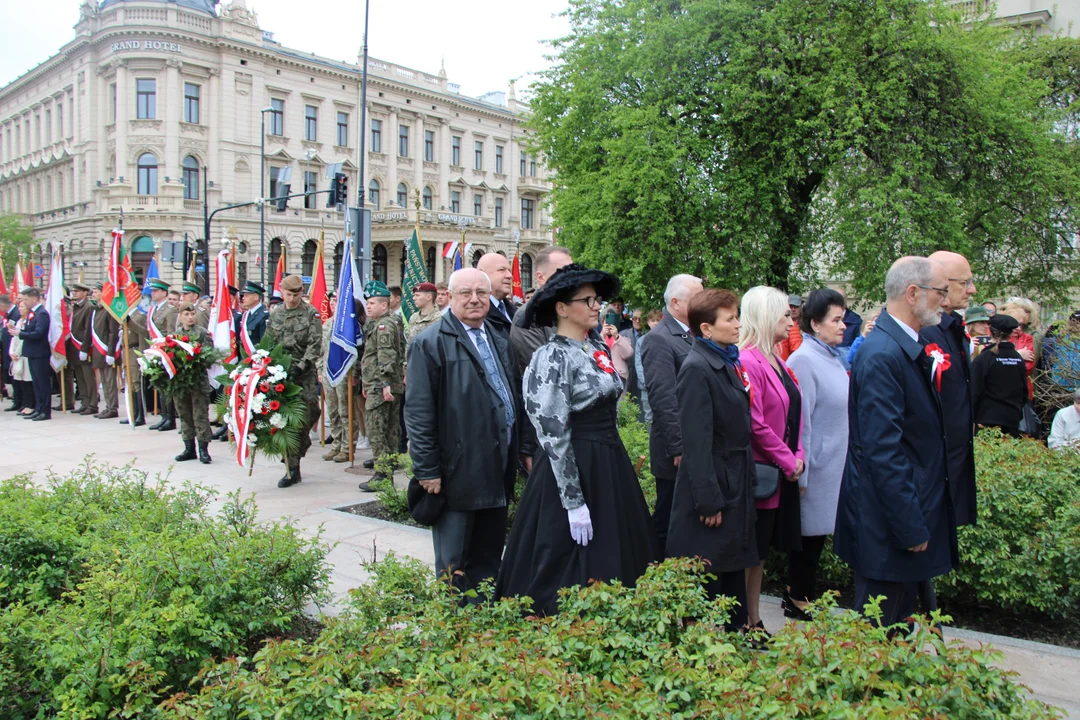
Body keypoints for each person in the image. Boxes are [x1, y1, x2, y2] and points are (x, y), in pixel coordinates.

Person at [495, 264, 653, 615]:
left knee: (618, 549)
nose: (597, 306)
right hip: (573, 466)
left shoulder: (594, 346)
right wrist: (572, 500)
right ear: (562, 308)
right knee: (564, 557)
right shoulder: (552, 356)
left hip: (609, 463)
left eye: (598, 299)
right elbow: (553, 432)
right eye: (588, 300)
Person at [834, 256, 959, 628]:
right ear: (913, 293)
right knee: (879, 636)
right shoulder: (884, 355)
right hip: (888, 525)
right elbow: (883, 451)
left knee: (898, 629)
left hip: (900, 517)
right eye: (941, 291)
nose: (946, 300)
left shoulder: (900, 346)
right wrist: (909, 525)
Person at [408, 268, 521, 598]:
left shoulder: (498, 340)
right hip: (456, 473)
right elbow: (418, 412)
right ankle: (454, 628)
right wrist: (427, 468)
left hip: (496, 468)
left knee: (487, 557)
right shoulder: (429, 343)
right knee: (454, 563)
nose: (474, 300)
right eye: (465, 293)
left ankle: (484, 621)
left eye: (481, 293)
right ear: (451, 297)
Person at [665, 288, 756, 631]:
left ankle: (735, 639)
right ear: (706, 328)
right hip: (714, 486)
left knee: (730, 568)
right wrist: (707, 500)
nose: (737, 324)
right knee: (706, 572)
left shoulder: (725, 360)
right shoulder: (697, 367)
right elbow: (697, 441)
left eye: (737, 316)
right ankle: (705, 650)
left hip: (732, 479)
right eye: (730, 318)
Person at [738, 286, 804, 634]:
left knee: (760, 554)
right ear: (766, 317)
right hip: (764, 475)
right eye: (783, 314)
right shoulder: (749, 360)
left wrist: (798, 455)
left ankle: (754, 618)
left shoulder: (777, 358)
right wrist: (788, 460)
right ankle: (751, 620)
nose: (790, 319)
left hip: (780, 471)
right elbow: (755, 422)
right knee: (753, 553)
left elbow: (795, 411)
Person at [785, 289, 849, 618]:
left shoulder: (831, 356)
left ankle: (800, 591)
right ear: (815, 323)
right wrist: (803, 472)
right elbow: (801, 421)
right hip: (816, 465)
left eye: (843, 319)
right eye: (835, 320)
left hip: (833, 464)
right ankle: (798, 595)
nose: (843, 326)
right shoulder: (804, 359)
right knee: (807, 536)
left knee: (817, 536)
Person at [639, 273, 703, 559]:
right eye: (696, 298)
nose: (703, 303)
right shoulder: (660, 339)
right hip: (675, 453)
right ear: (676, 303)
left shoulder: (692, 333)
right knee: (668, 519)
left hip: (694, 447)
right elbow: (663, 397)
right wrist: (677, 447)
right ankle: (653, 577)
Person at [920, 251, 978, 527]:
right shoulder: (925, 331)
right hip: (932, 468)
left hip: (953, 461)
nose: (972, 289)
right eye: (964, 282)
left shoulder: (954, 328)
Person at [265, 275, 323, 488]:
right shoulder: (276, 313)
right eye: (288, 294)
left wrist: (300, 367)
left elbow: (315, 344)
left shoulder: (311, 314)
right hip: (280, 372)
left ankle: (300, 446)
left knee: (308, 414)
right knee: (287, 420)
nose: (291, 299)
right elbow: (269, 340)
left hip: (304, 373)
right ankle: (292, 468)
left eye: (296, 295)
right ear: (282, 292)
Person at [358, 281, 405, 490]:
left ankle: (382, 476)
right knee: (390, 431)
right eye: (367, 303)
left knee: (377, 431)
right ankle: (387, 469)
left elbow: (386, 355)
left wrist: (384, 384)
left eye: (372, 303)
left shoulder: (384, 325)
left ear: (384, 306)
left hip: (381, 386)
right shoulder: (387, 322)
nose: (368, 307)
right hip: (383, 384)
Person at [510, 245, 574, 374]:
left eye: (572, 272)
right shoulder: (527, 316)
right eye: (562, 272)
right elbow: (546, 369)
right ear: (540, 277)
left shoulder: (572, 309)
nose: (570, 278)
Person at [319, 297, 367, 463]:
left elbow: (360, 354)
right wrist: (320, 369)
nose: (333, 304)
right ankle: (337, 444)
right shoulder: (327, 324)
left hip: (345, 374)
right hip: (328, 373)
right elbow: (322, 350)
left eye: (337, 301)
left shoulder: (351, 326)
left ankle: (348, 447)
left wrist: (356, 374)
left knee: (346, 411)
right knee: (333, 411)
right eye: (331, 301)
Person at [971, 314, 1028, 438]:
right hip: (1012, 417)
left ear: (989, 331)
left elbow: (974, 391)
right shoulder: (1018, 358)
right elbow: (1024, 390)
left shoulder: (984, 358)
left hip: (988, 418)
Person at [172, 302, 212, 464]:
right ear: (180, 316)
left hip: (198, 381)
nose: (190, 317)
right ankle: (189, 448)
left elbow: (209, 355)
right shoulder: (175, 336)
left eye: (192, 314)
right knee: (185, 414)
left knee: (200, 415)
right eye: (186, 315)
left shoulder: (202, 334)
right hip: (182, 383)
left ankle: (203, 449)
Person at [144, 279, 178, 431]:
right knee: (160, 385)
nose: (152, 293)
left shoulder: (170, 310)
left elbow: (172, 333)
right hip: (156, 351)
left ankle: (170, 418)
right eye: (152, 291)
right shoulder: (154, 310)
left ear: (164, 292)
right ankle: (164, 416)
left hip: (165, 351)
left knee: (167, 386)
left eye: (156, 291)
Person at [15, 288, 51, 421]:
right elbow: (30, 330)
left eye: (26, 299)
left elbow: (39, 333)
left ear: (34, 299)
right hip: (32, 352)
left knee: (42, 383)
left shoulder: (42, 314)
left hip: (40, 353)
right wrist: (19, 330)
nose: (24, 302)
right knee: (36, 383)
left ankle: (45, 411)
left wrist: (20, 334)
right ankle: (38, 408)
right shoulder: (32, 314)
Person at [85, 284, 120, 420]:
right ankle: (108, 406)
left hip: (107, 351)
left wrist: (111, 352)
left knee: (110, 381)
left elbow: (113, 333)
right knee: (105, 381)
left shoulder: (109, 309)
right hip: (99, 351)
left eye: (96, 292)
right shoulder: (96, 310)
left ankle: (113, 408)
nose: (93, 294)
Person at [68, 283, 98, 415]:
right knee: (79, 376)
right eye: (74, 291)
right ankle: (84, 402)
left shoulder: (88, 307)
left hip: (83, 347)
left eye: (78, 291)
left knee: (88, 377)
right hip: (75, 347)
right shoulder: (76, 307)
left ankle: (92, 404)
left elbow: (88, 330)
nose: (74, 293)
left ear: (85, 293)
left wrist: (85, 349)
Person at [119, 307, 147, 427]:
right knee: (129, 383)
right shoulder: (122, 315)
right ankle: (133, 413)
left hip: (134, 350)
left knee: (136, 383)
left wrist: (142, 355)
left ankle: (140, 414)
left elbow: (143, 334)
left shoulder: (139, 316)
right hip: (126, 351)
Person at [477, 252, 516, 337]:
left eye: (509, 270)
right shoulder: (476, 314)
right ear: (482, 274)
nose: (510, 275)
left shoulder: (516, 311)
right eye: (502, 270)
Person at [7, 298, 33, 415]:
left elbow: (23, 339)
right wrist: (11, 351)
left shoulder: (28, 320)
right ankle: (23, 404)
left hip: (24, 354)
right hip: (17, 355)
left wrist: (17, 352)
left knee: (28, 382)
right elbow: (14, 337)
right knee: (20, 381)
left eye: (22, 307)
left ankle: (30, 404)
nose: (20, 309)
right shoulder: (19, 321)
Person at [600, 307, 634, 384]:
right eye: (607, 322)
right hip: (603, 377)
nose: (609, 325)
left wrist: (617, 337)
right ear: (602, 322)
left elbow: (628, 354)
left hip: (620, 377)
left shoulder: (623, 339)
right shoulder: (597, 338)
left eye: (612, 322)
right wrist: (602, 335)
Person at [0, 294, 17, 404]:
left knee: (15, 377)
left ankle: (19, 400)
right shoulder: (8, 314)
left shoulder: (15, 313)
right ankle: (17, 400)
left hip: (14, 350)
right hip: (7, 349)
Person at [776, 294, 803, 361]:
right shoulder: (780, 325)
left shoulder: (807, 325)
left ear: (800, 307)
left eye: (796, 307)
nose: (793, 309)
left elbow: (798, 353)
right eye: (791, 306)